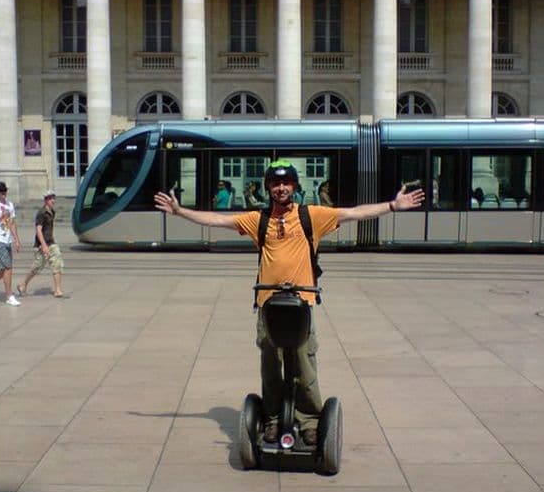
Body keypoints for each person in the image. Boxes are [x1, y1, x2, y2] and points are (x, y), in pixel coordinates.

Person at [154, 160, 424, 445]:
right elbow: (216, 220)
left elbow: (353, 213)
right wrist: (180, 211)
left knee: (304, 366)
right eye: (275, 183)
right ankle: (271, 418)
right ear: (268, 187)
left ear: (294, 186)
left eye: (286, 183)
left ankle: (309, 420)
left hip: (301, 304)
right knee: (271, 365)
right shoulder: (258, 219)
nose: (280, 188)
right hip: (268, 305)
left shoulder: (311, 216)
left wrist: (393, 206)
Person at [17, 190, 64, 298]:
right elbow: (38, 230)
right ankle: (23, 284)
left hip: (51, 242)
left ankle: (57, 289)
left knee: (57, 262)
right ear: (46, 200)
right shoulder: (41, 213)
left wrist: (50, 241)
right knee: (37, 266)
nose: (53, 200)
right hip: (41, 244)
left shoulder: (52, 211)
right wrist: (43, 245)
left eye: (53, 198)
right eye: (50, 198)